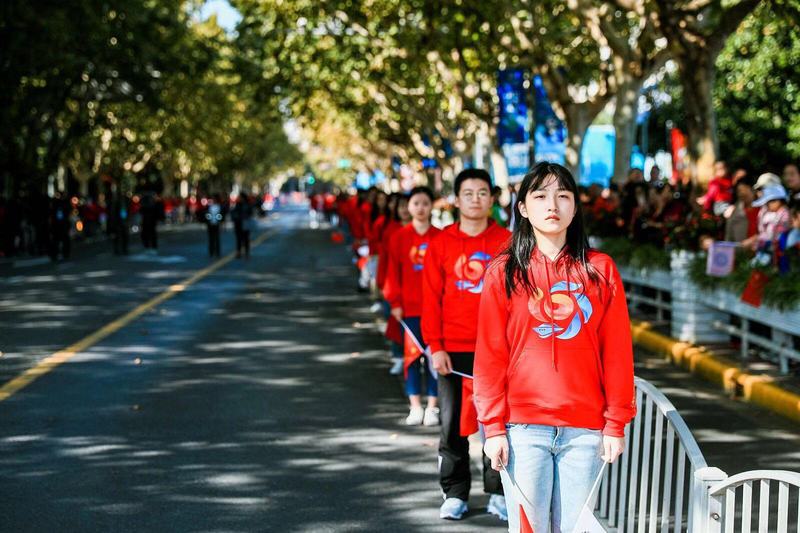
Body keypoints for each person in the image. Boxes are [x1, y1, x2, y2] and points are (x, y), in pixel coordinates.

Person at [474, 162, 635, 533]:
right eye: (541, 195)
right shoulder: (503, 271)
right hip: (523, 430)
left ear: (575, 208)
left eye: (563, 196)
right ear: (522, 207)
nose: (552, 205)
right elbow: (490, 356)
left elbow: (617, 352)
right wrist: (493, 428)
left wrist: (615, 423)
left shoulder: (600, 269)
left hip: (585, 431)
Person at [422, 169, 511, 521]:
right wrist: (436, 346)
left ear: (492, 199)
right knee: (451, 425)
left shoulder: (508, 242)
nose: (476, 199)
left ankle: (499, 492)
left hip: (498, 351)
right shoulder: (440, 243)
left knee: (499, 425)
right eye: (468, 193)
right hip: (452, 350)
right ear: (456, 200)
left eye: (482, 193)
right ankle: (455, 493)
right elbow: (431, 299)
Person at [383, 186, 441, 426]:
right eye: (416, 203)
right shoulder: (399, 237)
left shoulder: (441, 237)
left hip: (437, 310)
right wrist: (395, 302)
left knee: (435, 359)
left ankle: (433, 407)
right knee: (411, 360)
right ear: (408, 207)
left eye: (425, 203)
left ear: (431, 206)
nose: (420, 208)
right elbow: (392, 273)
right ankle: (415, 406)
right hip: (409, 310)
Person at [379, 194, 411, 376]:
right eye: (401, 206)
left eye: (408, 205)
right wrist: (382, 283)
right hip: (397, 287)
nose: (405, 210)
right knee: (396, 325)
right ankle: (399, 357)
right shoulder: (392, 230)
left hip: (420, 291)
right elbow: (385, 260)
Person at [231, 192, 254, 259]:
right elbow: (233, 212)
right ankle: (239, 252)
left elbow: (250, 213)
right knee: (239, 239)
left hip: (245, 223)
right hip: (238, 223)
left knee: (246, 239)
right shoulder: (237, 204)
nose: (239, 198)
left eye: (240, 197)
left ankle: (246, 253)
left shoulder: (247, 205)